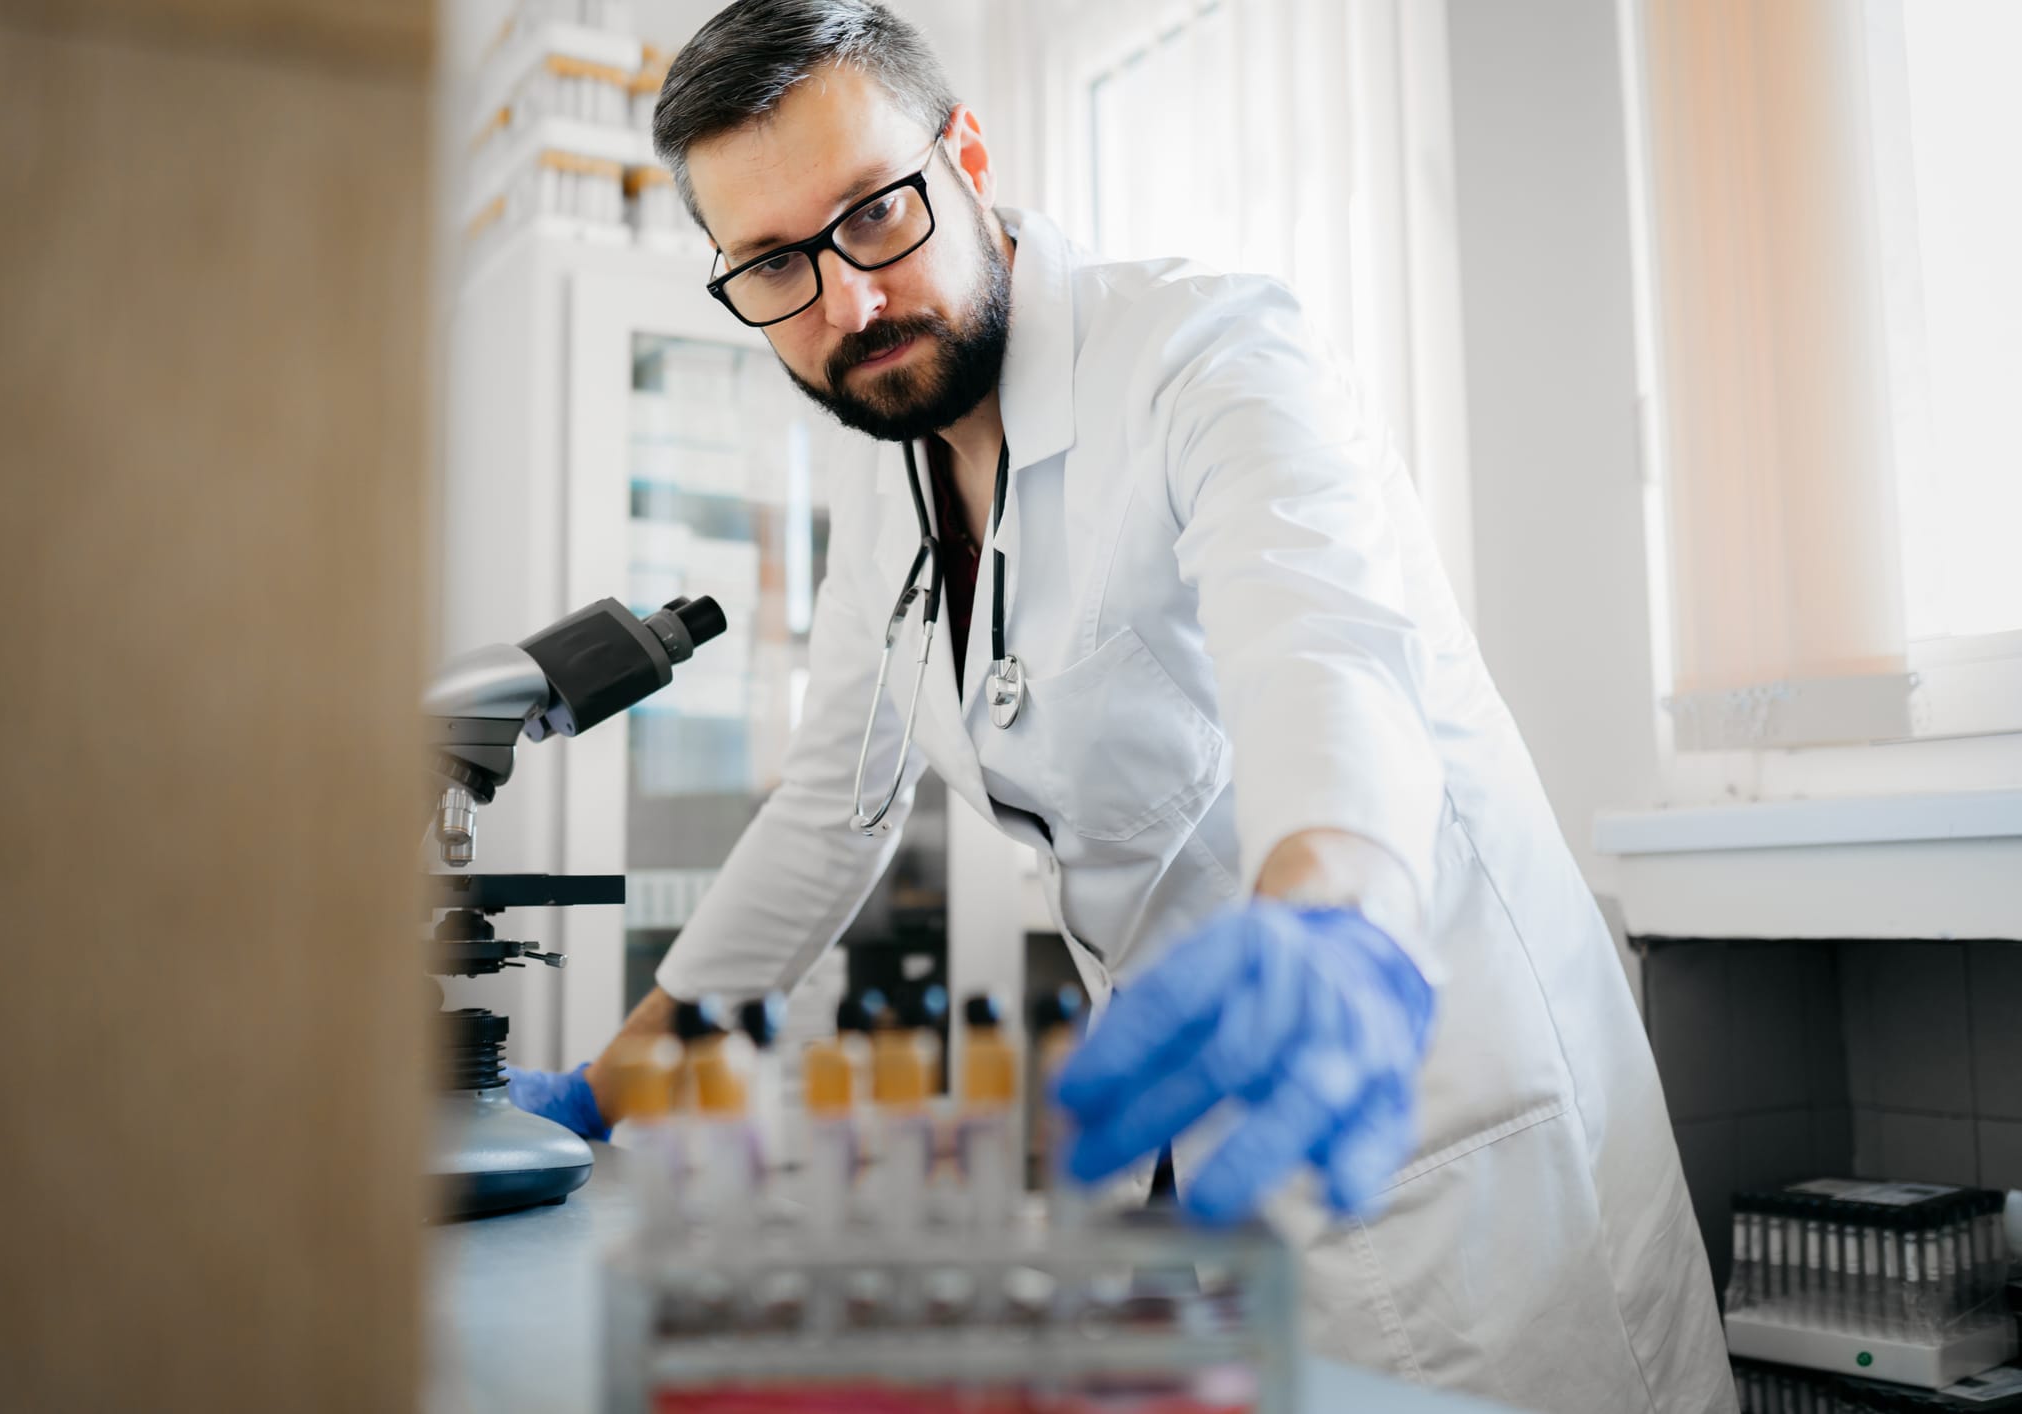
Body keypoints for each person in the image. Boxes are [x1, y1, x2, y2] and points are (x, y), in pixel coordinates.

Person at [502, 3, 1734, 1408]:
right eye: (774, 263)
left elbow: (1320, 658)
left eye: (872, 215)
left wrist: (1326, 915)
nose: (845, 300)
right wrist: (614, 1078)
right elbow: (827, 811)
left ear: (963, 152)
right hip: (1208, 1161)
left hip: (1438, 1121)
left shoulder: (1209, 356)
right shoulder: (883, 462)